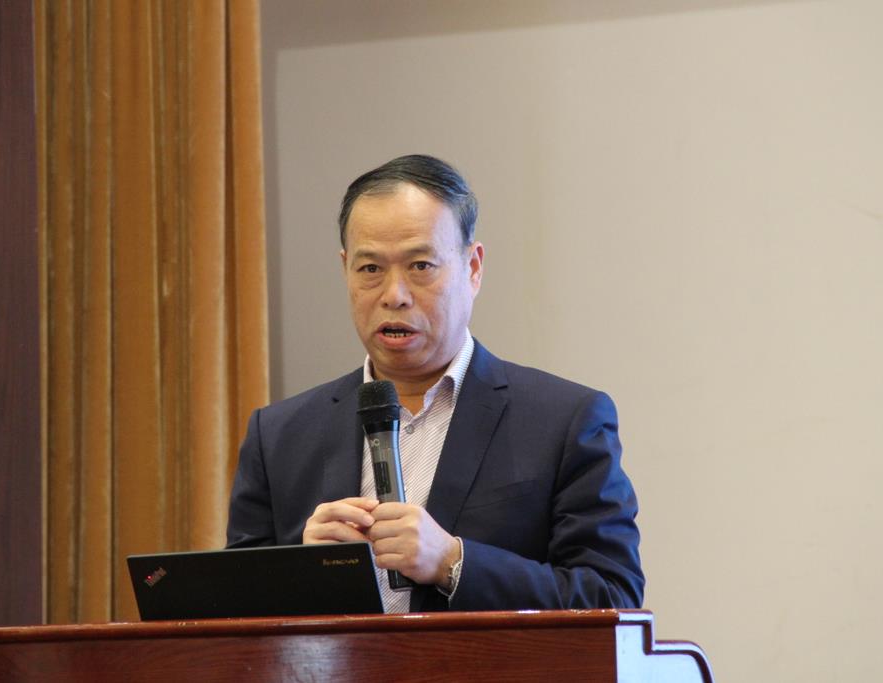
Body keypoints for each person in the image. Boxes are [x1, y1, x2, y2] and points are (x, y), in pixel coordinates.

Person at [226, 154, 644, 613]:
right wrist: (299, 571)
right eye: (370, 269)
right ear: (345, 269)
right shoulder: (279, 435)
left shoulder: (564, 421)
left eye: (421, 266)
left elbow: (612, 598)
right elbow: (230, 615)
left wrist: (452, 561)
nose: (394, 295)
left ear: (473, 267)